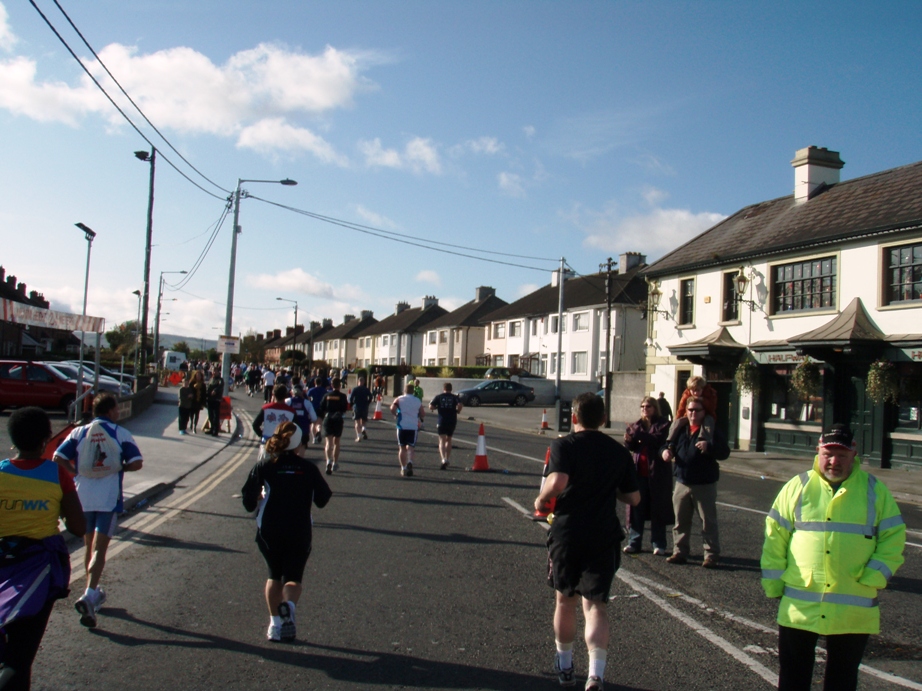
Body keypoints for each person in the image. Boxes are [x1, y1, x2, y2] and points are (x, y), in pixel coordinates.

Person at [761, 424, 905, 691]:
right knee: (793, 676)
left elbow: (893, 538)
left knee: (842, 678)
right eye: (828, 453)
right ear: (818, 452)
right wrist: (773, 582)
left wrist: (874, 575)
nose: (834, 461)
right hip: (800, 605)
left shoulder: (874, 490)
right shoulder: (798, 486)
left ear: (854, 453)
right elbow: (775, 537)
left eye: (841, 454)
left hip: (853, 605)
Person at [534, 392, 640, 690]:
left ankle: (566, 666)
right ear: (603, 419)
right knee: (596, 606)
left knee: (565, 600)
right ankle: (596, 673)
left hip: (568, 532)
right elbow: (633, 496)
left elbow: (557, 482)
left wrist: (542, 501)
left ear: (574, 417)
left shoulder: (563, 445)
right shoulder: (618, 451)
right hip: (603, 532)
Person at [0, 407, 85, 689]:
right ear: (46, 439)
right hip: (38, 570)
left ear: (13, 439)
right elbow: (78, 527)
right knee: (19, 660)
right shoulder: (57, 475)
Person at [53, 393, 143, 628]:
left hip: (82, 496)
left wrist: (75, 471)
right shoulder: (120, 433)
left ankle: (90, 592)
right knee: (100, 549)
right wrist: (119, 467)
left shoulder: (80, 432)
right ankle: (90, 594)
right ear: (111, 410)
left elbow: (58, 456)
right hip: (107, 498)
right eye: (116, 409)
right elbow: (137, 462)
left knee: (88, 545)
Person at [241, 421, 332, 642]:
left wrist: (258, 499)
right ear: (299, 444)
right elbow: (322, 499)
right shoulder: (308, 468)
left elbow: (248, 499)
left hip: (269, 528)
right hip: (299, 528)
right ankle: (288, 606)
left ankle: (275, 624)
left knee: (274, 574)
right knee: (293, 577)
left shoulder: (265, 465)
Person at [661, 396, 729, 568]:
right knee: (680, 521)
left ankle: (711, 554)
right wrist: (664, 453)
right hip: (682, 482)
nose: (692, 413)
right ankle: (680, 552)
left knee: (708, 522)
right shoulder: (680, 429)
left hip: (704, 483)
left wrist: (709, 447)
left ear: (703, 412)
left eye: (696, 410)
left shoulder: (711, 429)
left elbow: (724, 452)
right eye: (690, 410)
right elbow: (666, 445)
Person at [622, 396, 671, 555]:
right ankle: (634, 542)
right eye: (642, 406)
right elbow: (631, 446)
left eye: (648, 406)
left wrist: (637, 434)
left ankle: (659, 543)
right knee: (637, 508)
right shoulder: (638, 424)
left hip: (657, 474)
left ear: (655, 408)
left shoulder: (663, 424)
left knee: (657, 508)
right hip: (639, 473)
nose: (644, 409)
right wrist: (628, 440)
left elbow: (656, 440)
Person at [667, 375, 717, 446]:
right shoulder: (686, 395)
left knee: (708, 423)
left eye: (698, 390)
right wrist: (678, 417)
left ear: (702, 389)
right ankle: (670, 440)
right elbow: (681, 408)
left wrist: (703, 400)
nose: (695, 393)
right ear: (689, 389)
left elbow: (712, 407)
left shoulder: (709, 394)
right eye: (693, 390)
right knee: (677, 422)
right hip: (688, 416)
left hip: (706, 415)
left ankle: (703, 439)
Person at [253, 385, 298, 461]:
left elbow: (255, 425)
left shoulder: (266, 408)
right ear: (286, 396)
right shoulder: (291, 412)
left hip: (267, 444)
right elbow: (296, 429)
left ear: (273, 394)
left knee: (264, 469)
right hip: (284, 446)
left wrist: (262, 435)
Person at [390, 382, 424, 477]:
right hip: (413, 427)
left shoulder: (399, 399)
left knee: (402, 448)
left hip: (402, 426)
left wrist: (396, 414)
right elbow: (422, 413)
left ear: (404, 391)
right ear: (413, 391)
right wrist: (418, 416)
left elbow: (392, 408)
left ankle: (403, 468)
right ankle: (410, 461)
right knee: (411, 447)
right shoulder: (417, 400)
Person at [429, 382, 463, 469]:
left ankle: (443, 458)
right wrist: (458, 411)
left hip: (442, 421)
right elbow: (459, 405)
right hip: (452, 421)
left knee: (442, 440)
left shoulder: (439, 397)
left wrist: (435, 408)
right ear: (451, 389)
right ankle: (447, 458)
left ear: (444, 388)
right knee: (449, 439)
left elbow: (431, 406)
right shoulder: (455, 397)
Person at [319, 378, 349, 475]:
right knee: (337, 442)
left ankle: (328, 461)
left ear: (332, 385)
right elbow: (345, 408)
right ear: (339, 385)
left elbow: (321, 407)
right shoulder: (343, 396)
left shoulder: (327, 395)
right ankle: (335, 463)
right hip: (338, 419)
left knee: (328, 442)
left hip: (328, 418)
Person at [348, 377, 374, 442]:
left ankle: (359, 437)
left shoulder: (355, 389)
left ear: (358, 381)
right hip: (364, 406)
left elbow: (351, 398)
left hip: (357, 406)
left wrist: (352, 404)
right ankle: (363, 429)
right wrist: (368, 402)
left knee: (357, 422)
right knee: (363, 421)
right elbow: (370, 396)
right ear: (364, 382)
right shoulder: (366, 389)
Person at [306, 377, 328, 444]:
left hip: (313, 408)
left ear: (314, 383)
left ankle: (314, 438)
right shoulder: (324, 390)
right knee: (319, 423)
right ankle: (318, 431)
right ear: (321, 383)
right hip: (321, 408)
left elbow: (307, 398)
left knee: (313, 423)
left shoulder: (311, 390)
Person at [205, 372, 225, 436]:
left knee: (215, 416)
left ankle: (215, 430)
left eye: (215, 371)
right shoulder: (211, 379)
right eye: (213, 371)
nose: (214, 373)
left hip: (216, 400)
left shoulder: (220, 380)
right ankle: (212, 428)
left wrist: (215, 390)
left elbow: (220, 386)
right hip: (210, 399)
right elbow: (208, 387)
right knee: (210, 415)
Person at [189, 369, 206, 434]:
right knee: (191, 413)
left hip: (199, 401)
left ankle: (194, 426)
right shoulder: (192, 383)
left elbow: (204, 394)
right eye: (197, 375)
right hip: (192, 400)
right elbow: (189, 391)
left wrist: (203, 403)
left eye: (199, 375)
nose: (198, 377)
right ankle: (191, 422)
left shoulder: (203, 384)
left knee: (197, 414)